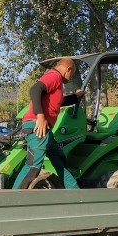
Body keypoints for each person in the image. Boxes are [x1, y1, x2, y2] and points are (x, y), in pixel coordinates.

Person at [13, 57, 84, 190]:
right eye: (72, 74)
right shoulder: (54, 76)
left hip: (46, 131)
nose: (71, 78)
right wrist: (40, 117)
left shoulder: (57, 84)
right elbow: (35, 89)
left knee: (60, 161)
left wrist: (76, 97)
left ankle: (75, 193)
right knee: (33, 166)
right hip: (37, 127)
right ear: (68, 70)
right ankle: (11, 201)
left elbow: (59, 102)